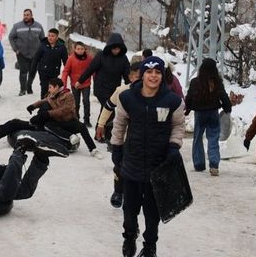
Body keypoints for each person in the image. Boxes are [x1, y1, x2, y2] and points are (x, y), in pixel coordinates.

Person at [111, 56, 185, 257]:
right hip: (132, 164)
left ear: (162, 75)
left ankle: (150, 246)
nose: (153, 76)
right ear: (142, 74)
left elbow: (178, 126)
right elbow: (119, 124)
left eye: (158, 72)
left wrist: (173, 147)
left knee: (153, 213)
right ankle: (129, 237)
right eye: (149, 72)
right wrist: (116, 148)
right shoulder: (128, 98)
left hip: (158, 167)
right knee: (129, 209)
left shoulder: (172, 101)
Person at [97, 62, 142, 208]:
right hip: (122, 137)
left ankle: (137, 195)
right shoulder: (122, 90)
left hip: (141, 139)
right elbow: (108, 107)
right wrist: (101, 124)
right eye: (137, 77)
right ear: (130, 76)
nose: (140, 80)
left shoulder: (152, 93)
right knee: (119, 165)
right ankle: (118, 192)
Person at [78, 32, 131, 141]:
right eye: (113, 48)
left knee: (105, 110)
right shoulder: (101, 55)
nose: (116, 51)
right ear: (109, 47)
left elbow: (127, 75)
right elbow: (90, 69)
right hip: (101, 88)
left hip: (113, 90)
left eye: (118, 49)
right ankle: (107, 136)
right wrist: (80, 81)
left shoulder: (123, 59)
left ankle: (99, 134)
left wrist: (131, 86)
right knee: (109, 111)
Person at [184, 58, 232, 176]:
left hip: (199, 114)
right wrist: (227, 108)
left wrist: (188, 108)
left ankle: (199, 164)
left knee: (197, 138)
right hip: (213, 113)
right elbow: (224, 97)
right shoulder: (217, 82)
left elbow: (189, 97)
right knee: (213, 138)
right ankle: (214, 164)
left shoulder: (195, 82)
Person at [8, 9, 45, 96]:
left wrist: (42, 51)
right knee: (23, 71)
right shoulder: (17, 26)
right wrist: (15, 49)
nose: (26, 16)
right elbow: (11, 37)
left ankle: (29, 86)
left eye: (27, 15)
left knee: (33, 71)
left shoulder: (38, 26)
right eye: (24, 15)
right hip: (21, 53)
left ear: (31, 15)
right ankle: (22, 89)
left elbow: (43, 39)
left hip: (35, 54)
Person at [28, 28, 69, 96]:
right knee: (44, 89)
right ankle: (43, 106)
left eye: (52, 36)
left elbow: (66, 61)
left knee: (53, 90)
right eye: (49, 35)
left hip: (54, 72)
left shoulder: (61, 47)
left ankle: (51, 105)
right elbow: (36, 59)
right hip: (43, 71)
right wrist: (32, 70)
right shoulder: (42, 45)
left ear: (57, 37)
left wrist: (67, 72)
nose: (50, 38)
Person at [61, 41, 94, 126]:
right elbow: (66, 71)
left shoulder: (89, 58)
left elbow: (93, 70)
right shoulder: (71, 58)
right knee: (76, 102)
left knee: (86, 101)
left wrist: (96, 81)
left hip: (86, 83)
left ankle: (87, 120)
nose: (80, 50)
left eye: (82, 49)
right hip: (75, 84)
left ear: (84, 49)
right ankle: (76, 118)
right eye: (78, 49)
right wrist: (63, 85)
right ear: (74, 49)